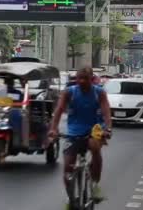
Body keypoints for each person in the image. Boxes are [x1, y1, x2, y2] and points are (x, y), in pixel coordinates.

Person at [48, 67, 112, 208]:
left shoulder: (99, 93)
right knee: (67, 168)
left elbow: (106, 110)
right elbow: (58, 111)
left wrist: (108, 128)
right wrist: (53, 129)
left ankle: (94, 185)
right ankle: (71, 198)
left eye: (85, 79)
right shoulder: (69, 93)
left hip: (94, 130)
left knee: (95, 148)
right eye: (80, 78)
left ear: (91, 79)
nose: (82, 81)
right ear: (76, 79)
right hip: (73, 133)